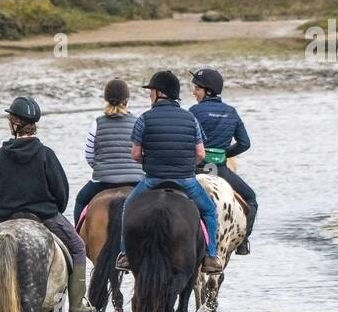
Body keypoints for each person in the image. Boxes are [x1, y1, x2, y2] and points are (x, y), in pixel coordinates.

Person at [0, 96, 95, 312]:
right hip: (44, 217)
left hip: (6, 218)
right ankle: (76, 304)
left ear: (15, 124)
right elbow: (61, 192)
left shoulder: (1, 155)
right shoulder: (46, 154)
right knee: (77, 247)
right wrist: (53, 208)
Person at [114, 72, 223, 274]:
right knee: (209, 211)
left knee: (128, 206)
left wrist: (147, 160)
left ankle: (125, 254)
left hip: (153, 180)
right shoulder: (190, 118)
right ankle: (210, 256)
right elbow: (200, 153)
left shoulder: (144, 119)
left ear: (160, 93)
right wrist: (188, 164)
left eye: (151, 91)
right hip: (186, 180)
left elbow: (135, 154)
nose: (150, 96)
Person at [190, 68, 257, 255]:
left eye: (197, 88)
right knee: (251, 199)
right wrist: (224, 154)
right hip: (221, 170)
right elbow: (245, 143)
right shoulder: (231, 112)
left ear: (208, 90)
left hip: (197, 170)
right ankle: (243, 243)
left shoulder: (194, 111)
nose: (194, 92)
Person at [72, 78, 145, 227]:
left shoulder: (97, 123)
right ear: (127, 99)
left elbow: (89, 155)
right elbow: (142, 154)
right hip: (135, 179)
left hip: (103, 180)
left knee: (80, 200)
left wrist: (101, 167)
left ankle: (78, 242)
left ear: (106, 98)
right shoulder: (138, 122)